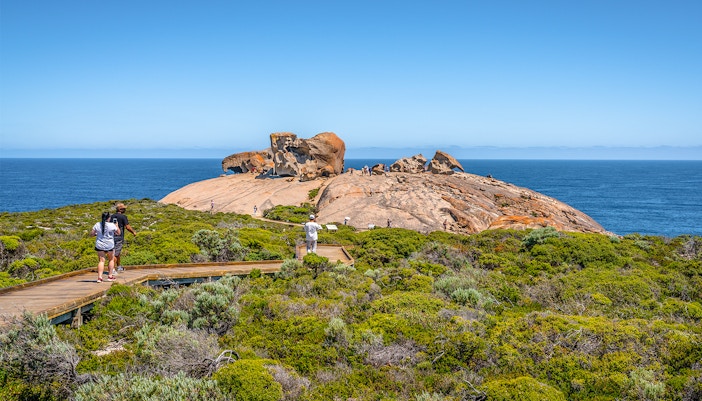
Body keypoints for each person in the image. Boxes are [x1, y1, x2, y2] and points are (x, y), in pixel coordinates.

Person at [91, 211, 121, 282]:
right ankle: (110, 276)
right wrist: (116, 226)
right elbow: (118, 233)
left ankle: (99, 278)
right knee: (111, 259)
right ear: (109, 218)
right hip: (109, 245)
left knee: (101, 261)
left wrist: (97, 234)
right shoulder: (111, 225)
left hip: (100, 245)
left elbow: (92, 234)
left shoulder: (97, 224)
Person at [110, 203, 136, 272]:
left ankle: (118, 267)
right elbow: (127, 227)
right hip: (119, 237)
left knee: (116, 253)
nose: (125, 210)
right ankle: (112, 269)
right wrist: (133, 232)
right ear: (121, 209)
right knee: (115, 254)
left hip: (111, 237)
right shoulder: (123, 217)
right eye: (124, 208)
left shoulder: (112, 216)